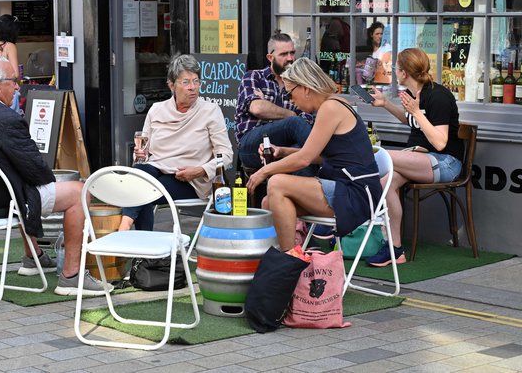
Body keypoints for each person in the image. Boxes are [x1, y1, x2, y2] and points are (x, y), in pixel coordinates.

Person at [0, 56, 111, 296]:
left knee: (16, 183)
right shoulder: (7, 119)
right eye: (13, 81)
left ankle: (34, 258)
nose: (18, 86)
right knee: (79, 192)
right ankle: (71, 276)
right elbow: (39, 173)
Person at [246, 58, 382, 251]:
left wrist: (264, 171)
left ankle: (288, 260)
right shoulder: (332, 104)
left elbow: (305, 159)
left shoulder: (331, 107)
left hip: (356, 193)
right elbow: (320, 155)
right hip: (347, 187)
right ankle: (291, 257)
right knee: (268, 201)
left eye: (291, 93)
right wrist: (283, 151)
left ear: (306, 88)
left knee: (276, 182)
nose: (290, 101)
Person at [367, 48, 464, 267]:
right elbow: (412, 122)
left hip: (445, 161)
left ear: (403, 72)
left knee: (380, 156)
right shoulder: (414, 94)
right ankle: (395, 248)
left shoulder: (438, 96)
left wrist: (417, 112)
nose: (394, 70)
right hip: (421, 158)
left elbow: (440, 142)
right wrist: (386, 105)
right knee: (385, 183)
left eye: (396, 67)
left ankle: (337, 212)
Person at [118, 54, 233, 231]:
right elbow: (144, 152)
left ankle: (126, 231)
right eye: (186, 82)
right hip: (157, 167)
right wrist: (139, 154)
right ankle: (129, 231)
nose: (193, 88)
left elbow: (226, 155)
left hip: (189, 178)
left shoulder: (210, 111)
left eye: (196, 81)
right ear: (171, 85)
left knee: (142, 189)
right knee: (139, 173)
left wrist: (200, 170)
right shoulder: (157, 110)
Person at [234, 30, 315, 174]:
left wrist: (268, 106)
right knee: (295, 124)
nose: (290, 58)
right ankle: (328, 157)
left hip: (284, 146)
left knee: (302, 157)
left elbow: (308, 118)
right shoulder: (253, 77)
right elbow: (258, 109)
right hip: (252, 145)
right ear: (270, 57)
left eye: (292, 53)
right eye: (284, 54)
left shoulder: (299, 84)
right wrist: (291, 115)